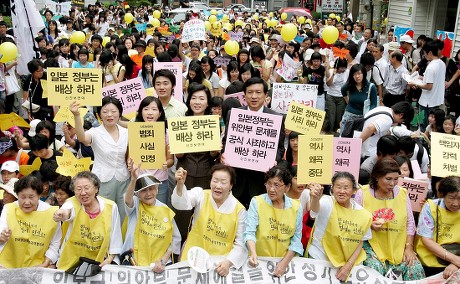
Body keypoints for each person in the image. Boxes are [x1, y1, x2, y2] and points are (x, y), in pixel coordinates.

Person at [354, 158, 425, 281]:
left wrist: (409, 248)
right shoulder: (362, 193)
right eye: (388, 179)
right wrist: (370, 225)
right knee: (374, 269)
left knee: (414, 267)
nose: (392, 184)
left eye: (396, 179)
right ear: (376, 177)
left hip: (399, 245)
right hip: (371, 246)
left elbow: (409, 223)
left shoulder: (403, 193)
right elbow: (354, 221)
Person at [172, 164, 247, 276]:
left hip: (220, 263)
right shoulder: (201, 195)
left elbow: (241, 244)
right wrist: (180, 185)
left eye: (223, 182)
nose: (218, 185)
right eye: (215, 180)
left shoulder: (239, 209)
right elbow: (181, 203)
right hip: (194, 256)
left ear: (231, 185)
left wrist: (228, 263)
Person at [222, 77, 285, 208]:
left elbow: (280, 149)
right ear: (244, 95)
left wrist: (274, 159)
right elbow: (226, 142)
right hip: (237, 180)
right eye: (250, 92)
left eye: (258, 92)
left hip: (261, 182)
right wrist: (223, 155)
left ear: (265, 95)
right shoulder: (234, 114)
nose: (254, 96)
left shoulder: (276, 118)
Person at [70, 97, 130, 221]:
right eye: (105, 111)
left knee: (124, 214)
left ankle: (123, 240)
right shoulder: (95, 132)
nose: (109, 115)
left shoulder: (127, 132)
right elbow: (82, 138)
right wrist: (76, 116)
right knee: (105, 214)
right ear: (99, 115)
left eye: (113, 111)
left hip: (124, 177)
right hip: (103, 179)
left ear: (119, 113)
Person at [308, 172, 372, 282]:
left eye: (346, 188)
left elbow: (360, 241)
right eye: (338, 187)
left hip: (348, 263)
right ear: (332, 188)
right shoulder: (327, 201)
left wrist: (348, 266)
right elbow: (314, 210)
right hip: (320, 257)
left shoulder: (364, 214)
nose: (342, 191)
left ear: (354, 190)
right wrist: (315, 198)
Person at [53, 171, 123, 270]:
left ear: (96, 189)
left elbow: (115, 237)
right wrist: (61, 214)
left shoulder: (111, 207)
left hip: (100, 262)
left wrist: (110, 259)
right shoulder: (71, 203)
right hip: (71, 262)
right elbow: (67, 211)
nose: (83, 193)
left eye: (86, 188)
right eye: (78, 189)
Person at [244, 166, 303, 278]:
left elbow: (296, 240)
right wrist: (253, 253)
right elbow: (249, 232)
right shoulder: (257, 202)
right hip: (259, 260)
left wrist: (283, 264)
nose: (271, 189)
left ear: (287, 187)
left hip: (285, 263)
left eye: (276, 185)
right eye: (269, 184)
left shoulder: (296, 207)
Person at [122, 159, 180, 270]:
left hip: (160, 262)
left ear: (157, 190)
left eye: (151, 189)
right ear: (138, 194)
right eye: (144, 190)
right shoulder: (136, 205)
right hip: (134, 259)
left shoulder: (166, 210)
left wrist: (163, 261)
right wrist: (133, 180)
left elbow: (175, 239)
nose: (148, 194)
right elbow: (127, 200)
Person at [0, 175, 61, 268]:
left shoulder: (51, 213)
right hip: (7, 265)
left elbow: (55, 242)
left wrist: (47, 262)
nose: (27, 202)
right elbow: (1, 232)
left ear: (39, 195)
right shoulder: (9, 209)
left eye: (31, 197)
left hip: (36, 267)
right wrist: (2, 236)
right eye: (23, 197)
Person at [415, 176, 460, 278]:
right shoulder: (431, 207)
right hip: (430, 260)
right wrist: (454, 260)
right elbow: (427, 239)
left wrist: (455, 263)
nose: (456, 203)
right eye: (451, 198)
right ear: (442, 195)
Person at [408, 41, 446, 132]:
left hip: (427, 102)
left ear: (430, 53)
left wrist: (415, 84)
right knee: (435, 127)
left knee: (424, 127)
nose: (424, 56)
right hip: (438, 100)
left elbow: (429, 86)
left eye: (424, 53)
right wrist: (422, 78)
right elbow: (435, 79)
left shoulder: (431, 67)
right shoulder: (441, 63)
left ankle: (423, 143)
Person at [339, 64, 378, 135]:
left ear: (364, 74)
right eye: (354, 74)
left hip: (363, 117)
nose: (357, 76)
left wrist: (368, 115)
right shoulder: (350, 85)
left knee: (358, 140)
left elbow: (373, 104)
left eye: (359, 74)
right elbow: (343, 90)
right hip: (349, 115)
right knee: (343, 138)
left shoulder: (371, 87)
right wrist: (348, 101)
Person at [325, 58, 349, 133]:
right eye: (341, 67)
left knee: (339, 116)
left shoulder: (347, 72)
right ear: (337, 66)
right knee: (331, 116)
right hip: (331, 96)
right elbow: (328, 84)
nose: (343, 69)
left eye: (344, 67)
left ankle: (337, 132)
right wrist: (333, 74)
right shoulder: (331, 71)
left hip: (341, 97)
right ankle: (330, 131)